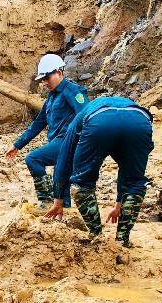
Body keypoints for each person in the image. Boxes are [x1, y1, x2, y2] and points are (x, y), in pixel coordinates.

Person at [44, 96, 154, 248]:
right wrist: (119, 205)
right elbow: (127, 170)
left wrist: (58, 199)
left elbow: (64, 158)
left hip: (99, 122)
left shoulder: (79, 118)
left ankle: (97, 236)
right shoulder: (126, 106)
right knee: (135, 182)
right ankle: (123, 241)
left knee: (82, 183)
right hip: (139, 122)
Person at [5, 54, 89, 208]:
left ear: (59, 72)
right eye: (42, 79)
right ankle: (64, 219)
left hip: (68, 142)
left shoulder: (73, 91)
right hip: (58, 143)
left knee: (33, 159)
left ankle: (46, 201)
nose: (44, 82)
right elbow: (38, 123)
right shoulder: (51, 97)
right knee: (61, 187)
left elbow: (86, 116)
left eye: (47, 78)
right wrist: (17, 145)